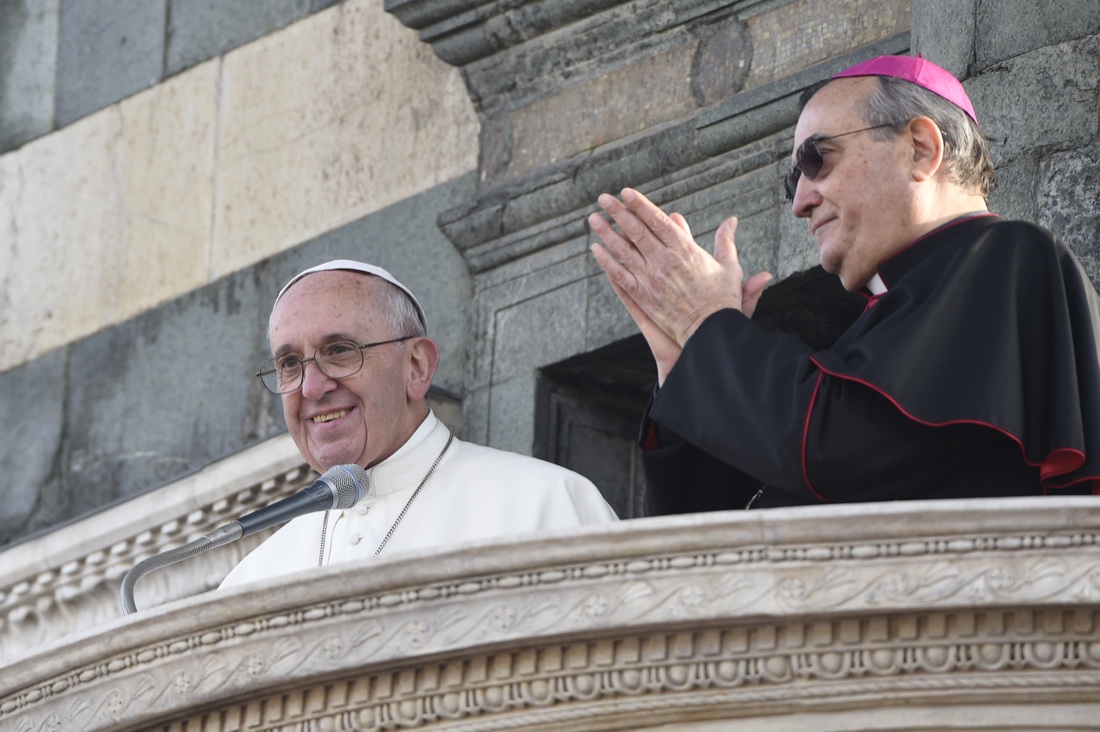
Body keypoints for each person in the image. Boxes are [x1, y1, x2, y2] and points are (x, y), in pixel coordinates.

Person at [588, 55, 1100, 511]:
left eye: (816, 159)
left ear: (920, 149)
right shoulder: (877, 326)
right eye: (793, 180)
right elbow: (703, 532)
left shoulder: (1008, 257)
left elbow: (832, 448)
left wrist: (709, 327)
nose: (799, 202)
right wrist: (686, 362)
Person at [221, 260, 617, 587]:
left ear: (416, 367)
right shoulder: (252, 580)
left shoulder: (545, 507)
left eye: (339, 351)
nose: (312, 387)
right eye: (290, 364)